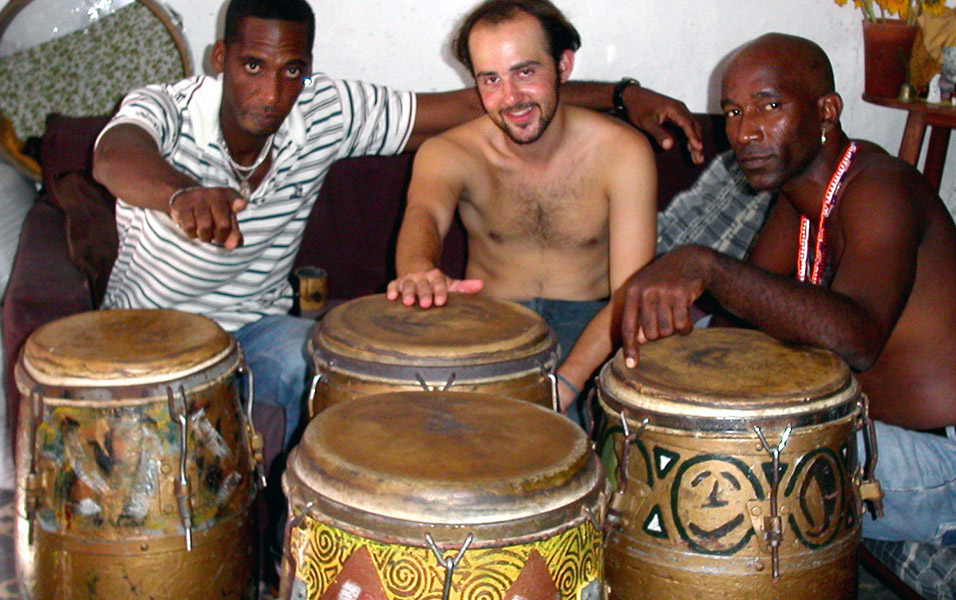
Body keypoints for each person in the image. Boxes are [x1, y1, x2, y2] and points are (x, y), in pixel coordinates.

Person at [92, 0, 703, 450]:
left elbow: (482, 103)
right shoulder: (165, 106)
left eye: (292, 71)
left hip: (258, 326)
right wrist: (181, 195)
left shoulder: (325, 108)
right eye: (252, 65)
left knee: (345, 383)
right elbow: (113, 155)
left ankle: (302, 567)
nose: (273, 93)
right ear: (220, 57)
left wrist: (624, 96)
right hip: (149, 330)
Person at [620, 33, 956, 548]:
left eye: (768, 106)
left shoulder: (880, 189)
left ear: (827, 111)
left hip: (935, 461)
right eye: (731, 113)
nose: (745, 133)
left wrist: (706, 265)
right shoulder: (797, 198)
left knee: (721, 466)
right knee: (682, 361)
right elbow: (742, 325)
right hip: (855, 423)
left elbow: (859, 338)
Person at [386, 0, 657, 418]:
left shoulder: (622, 152)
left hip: (593, 324)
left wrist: (566, 383)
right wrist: (418, 270)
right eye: (490, 79)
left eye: (525, 72)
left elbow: (629, 297)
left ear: (563, 66)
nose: (510, 98)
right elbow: (424, 214)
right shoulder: (449, 151)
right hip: (489, 322)